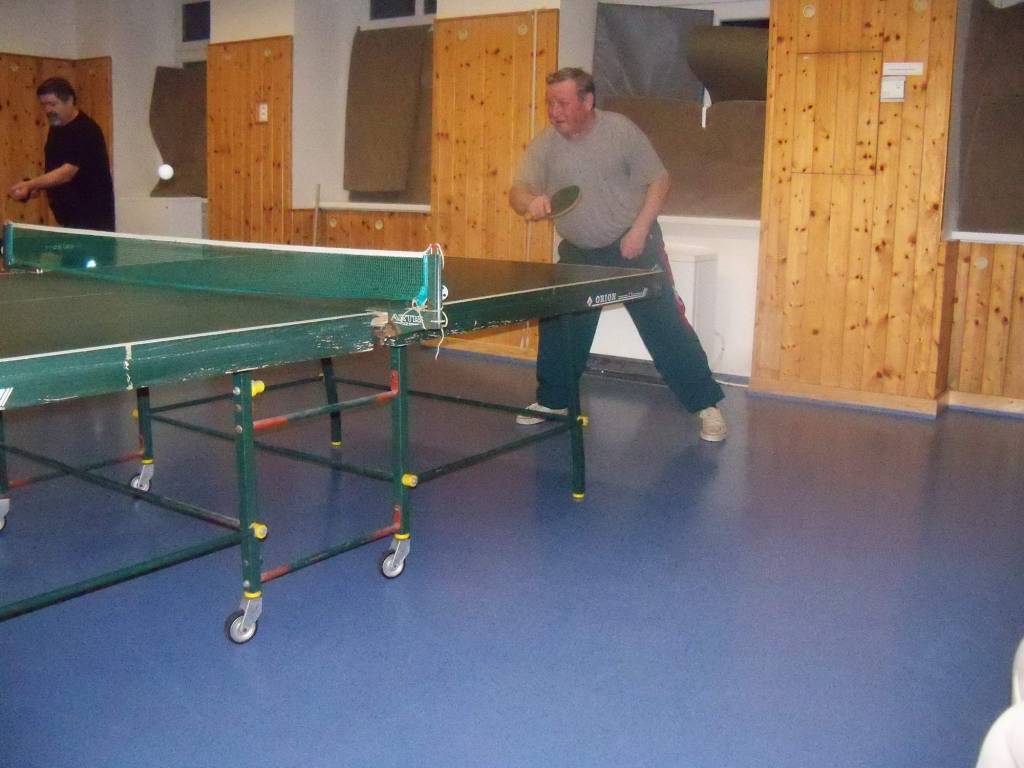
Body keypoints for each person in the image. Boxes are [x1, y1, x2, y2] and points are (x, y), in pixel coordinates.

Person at [508, 67, 726, 442]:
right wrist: (531, 201)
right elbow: (517, 191)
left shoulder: (620, 131)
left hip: (633, 245)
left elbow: (659, 180)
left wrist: (639, 229)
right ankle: (554, 401)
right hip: (579, 252)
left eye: (562, 103)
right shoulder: (546, 144)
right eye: (550, 103)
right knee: (560, 323)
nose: (554, 111)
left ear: (587, 101)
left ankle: (706, 405)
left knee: (665, 326)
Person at [8, 77, 115, 231]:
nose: (47, 110)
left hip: (92, 222)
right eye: (43, 105)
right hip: (69, 219)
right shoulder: (56, 128)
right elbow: (55, 170)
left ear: (69, 100)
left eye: (52, 104)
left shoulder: (86, 130)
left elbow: (67, 173)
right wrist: (34, 188)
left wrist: (31, 184)